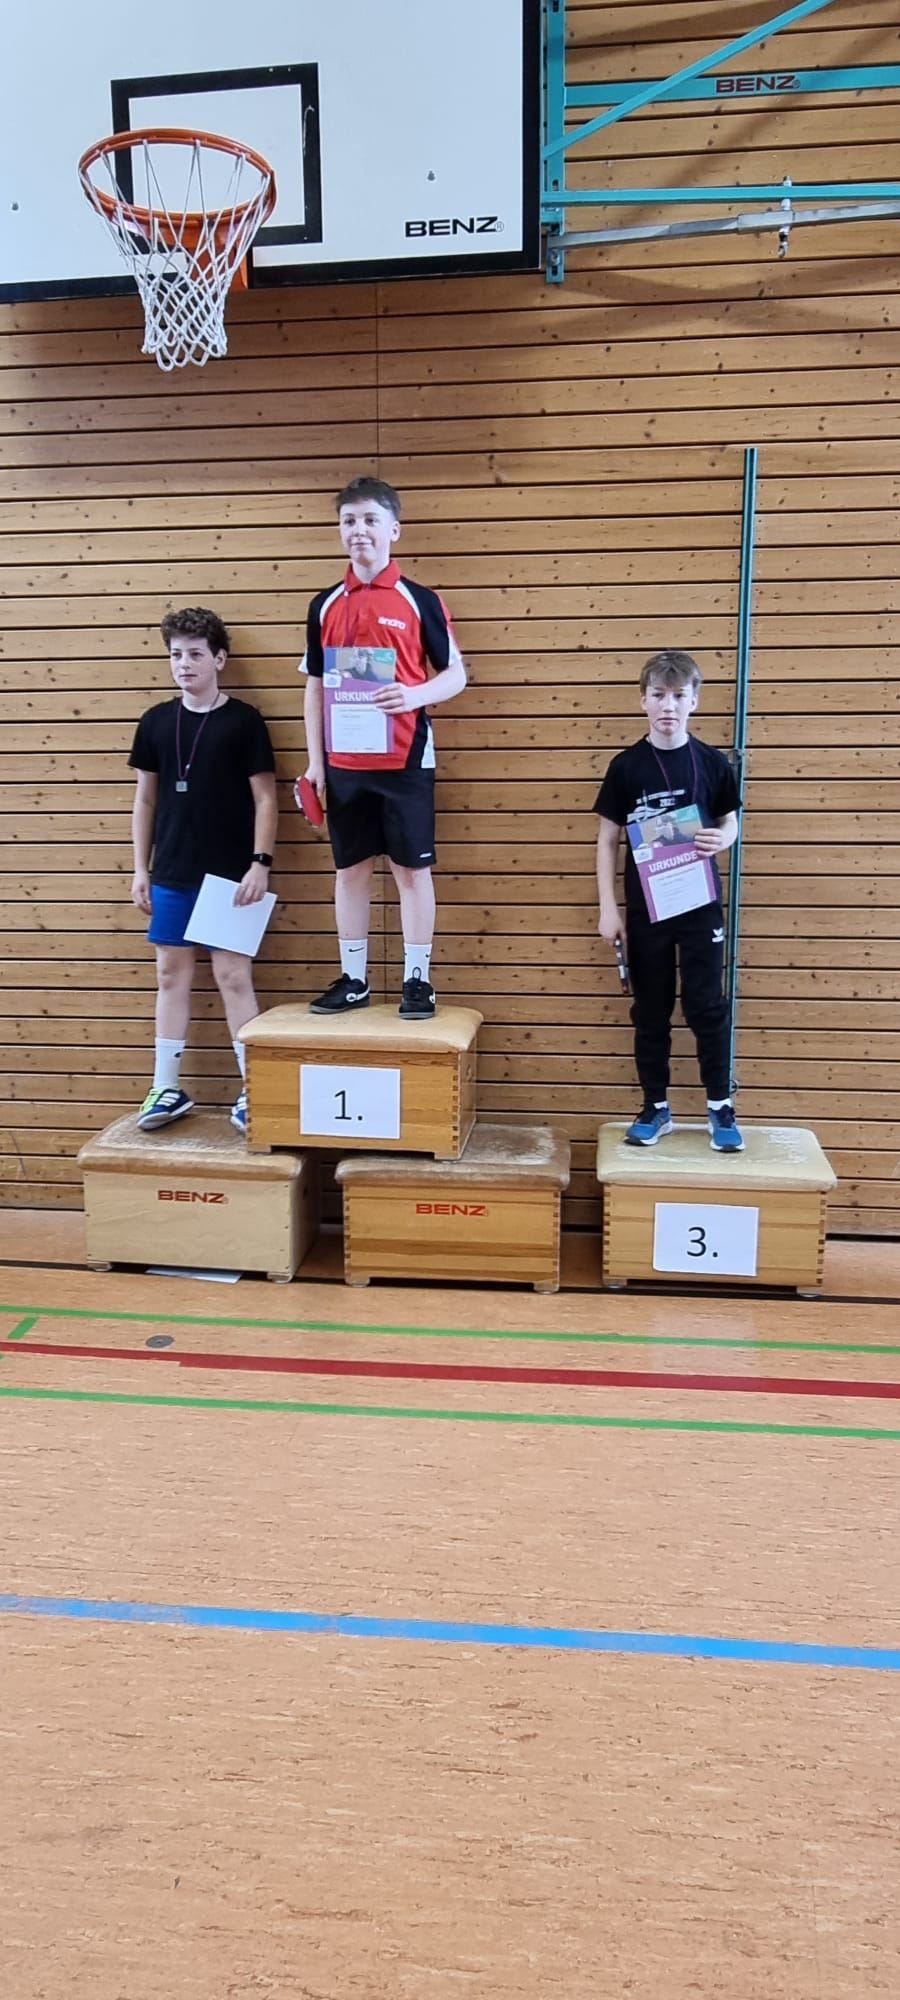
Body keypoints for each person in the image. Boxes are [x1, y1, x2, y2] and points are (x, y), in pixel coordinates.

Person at [300, 475, 467, 1020]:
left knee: (411, 872)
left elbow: (456, 675)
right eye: (348, 521)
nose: (359, 530)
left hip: (405, 760)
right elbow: (315, 687)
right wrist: (316, 762)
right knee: (350, 871)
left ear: (393, 529)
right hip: (344, 764)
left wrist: (414, 695)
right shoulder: (324, 605)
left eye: (370, 519)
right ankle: (355, 980)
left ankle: (418, 981)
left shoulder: (420, 600)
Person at [129, 607, 278, 1134]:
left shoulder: (244, 721)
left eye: (195, 654)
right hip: (171, 873)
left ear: (219, 659)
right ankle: (165, 1086)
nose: (184, 663)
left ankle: (253, 1089)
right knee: (170, 975)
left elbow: (266, 799)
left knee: (233, 976)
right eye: (176, 654)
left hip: (232, 878)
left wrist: (260, 864)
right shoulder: (154, 722)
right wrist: (140, 869)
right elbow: (145, 800)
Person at [594, 650, 744, 1152]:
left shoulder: (713, 763)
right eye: (658, 695)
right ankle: (655, 1107)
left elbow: (730, 822)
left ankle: (720, 1106)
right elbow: (607, 840)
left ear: (694, 701)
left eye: (679, 696)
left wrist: (724, 839)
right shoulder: (626, 767)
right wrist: (609, 909)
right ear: (643, 700)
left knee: (707, 1006)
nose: (668, 705)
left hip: (699, 907)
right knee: (651, 1009)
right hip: (647, 911)